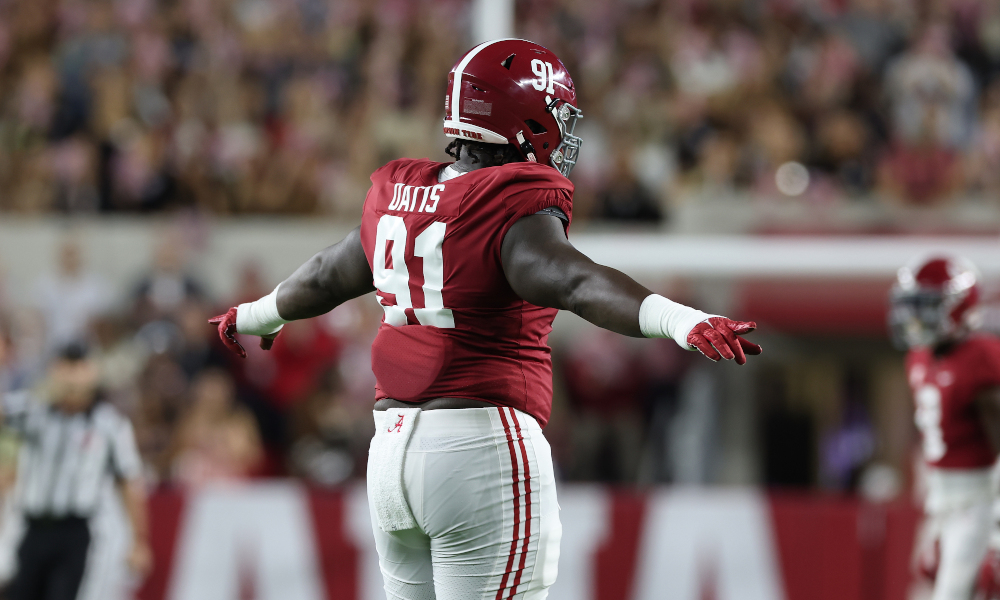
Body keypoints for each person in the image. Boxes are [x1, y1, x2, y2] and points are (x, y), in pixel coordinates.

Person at [210, 39, 761, 600]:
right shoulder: (510, 200)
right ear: (524, 118)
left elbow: (329, 274)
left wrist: (256, 314)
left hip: (391, 455)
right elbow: (572, 278)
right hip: (480, 449)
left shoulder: (403, 196)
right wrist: (678, 319)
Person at [1, 343, 152, 600]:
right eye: (65, 367)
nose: (71, 378)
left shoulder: (109, 425)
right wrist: (42, 389)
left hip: (75, 531)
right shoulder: (33, 412)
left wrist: (139, 540)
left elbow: (128, 482)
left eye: (77, 367)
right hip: (32, 528)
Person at [889, 256, 1000, 600]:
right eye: (911, 306)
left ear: (957, 308)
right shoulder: (919, 357)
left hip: (976, 498)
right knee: (925, 575)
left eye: (925, 306)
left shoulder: (981, 356)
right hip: (940, 497)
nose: (914, 318)